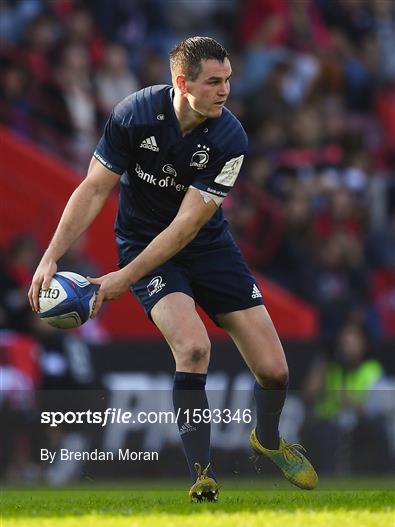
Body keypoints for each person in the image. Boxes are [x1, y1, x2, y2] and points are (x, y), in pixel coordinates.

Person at [28, 36, 317, 500]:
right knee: (193, 348)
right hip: (143, 243)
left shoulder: (230, 138)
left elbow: (185, 227)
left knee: (275, 372)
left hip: (209, 248)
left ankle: (268, 437)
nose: (225, 91)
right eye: (214, 82)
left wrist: (123, 278)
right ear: (183, 83)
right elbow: (94, 188)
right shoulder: (133, 114)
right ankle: (201, 473)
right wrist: (50, 255)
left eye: (228, 80)